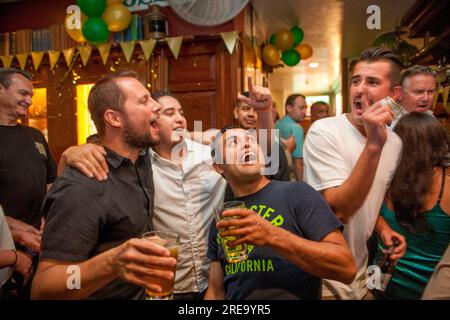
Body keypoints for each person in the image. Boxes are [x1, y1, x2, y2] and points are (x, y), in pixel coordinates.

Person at [55, 77, 275, 299]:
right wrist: (69, 154)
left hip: (216, 279)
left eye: (181, 112)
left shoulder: (209, 154)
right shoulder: (138, 165)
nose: (179, 118)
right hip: (170, 286)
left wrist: (264, 113)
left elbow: (262, 158)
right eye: (169, 113)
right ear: (152, 122)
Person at [31, 70, 177, 300]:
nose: (156, 106)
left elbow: (183, 136)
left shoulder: (140, 157)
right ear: (114, 118)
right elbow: (44, 287)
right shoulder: (83, 186)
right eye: (143, 101)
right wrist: (109, 264)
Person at [204, 126, 356, 300]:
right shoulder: (223, 221)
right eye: (233, 143)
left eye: (251, 140)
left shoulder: (297, 194)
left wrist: (273, 236)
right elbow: (216, 291)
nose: (247, 144)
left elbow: (347, 268)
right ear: (219, 167)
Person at [303, 47, 406, 300]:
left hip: (361, 276)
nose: (360, 89)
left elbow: (372, 193)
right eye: (356, 81)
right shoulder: (324, 131)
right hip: (324, 281)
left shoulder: (395, 142)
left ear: (394, 94)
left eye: (372, 82)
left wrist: (382, 228)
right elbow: (340, 212)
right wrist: (373, 145)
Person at [374, 112, 450, 300]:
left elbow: (367, 212)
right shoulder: (446, 182)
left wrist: (382, 227)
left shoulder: (385, 174)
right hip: (431, 290)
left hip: (380, 284)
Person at [0, 67, 57, 299]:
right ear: (1, 90)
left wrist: (50, 215)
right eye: (23, 94)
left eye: (31, 96)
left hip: (40, 244)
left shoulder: (35, 136)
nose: (29, 101)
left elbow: (50, 182)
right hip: (5, 247)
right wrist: (12, 229)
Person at [275, 94, 307, 181]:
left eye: (305, 108)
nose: (304, 112)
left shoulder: (277, 124)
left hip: (276, 177)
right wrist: (302, 186)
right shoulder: (296, 128)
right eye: (301, 108)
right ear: (289, 108)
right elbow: (298, 163)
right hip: (290, 177)